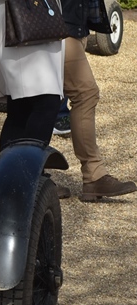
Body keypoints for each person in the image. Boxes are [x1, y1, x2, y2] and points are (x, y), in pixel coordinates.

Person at [61, 0, 136, 201]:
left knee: (46, 99)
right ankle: (93, 175)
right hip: (59, 27)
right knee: (85, 93)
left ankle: (32, 175)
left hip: (73, 24)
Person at [0, 0, 63, 149]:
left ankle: (14, 161)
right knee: (45, 102)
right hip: (19, 16)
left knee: (22, 105)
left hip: (25, 15)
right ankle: (27, 161)